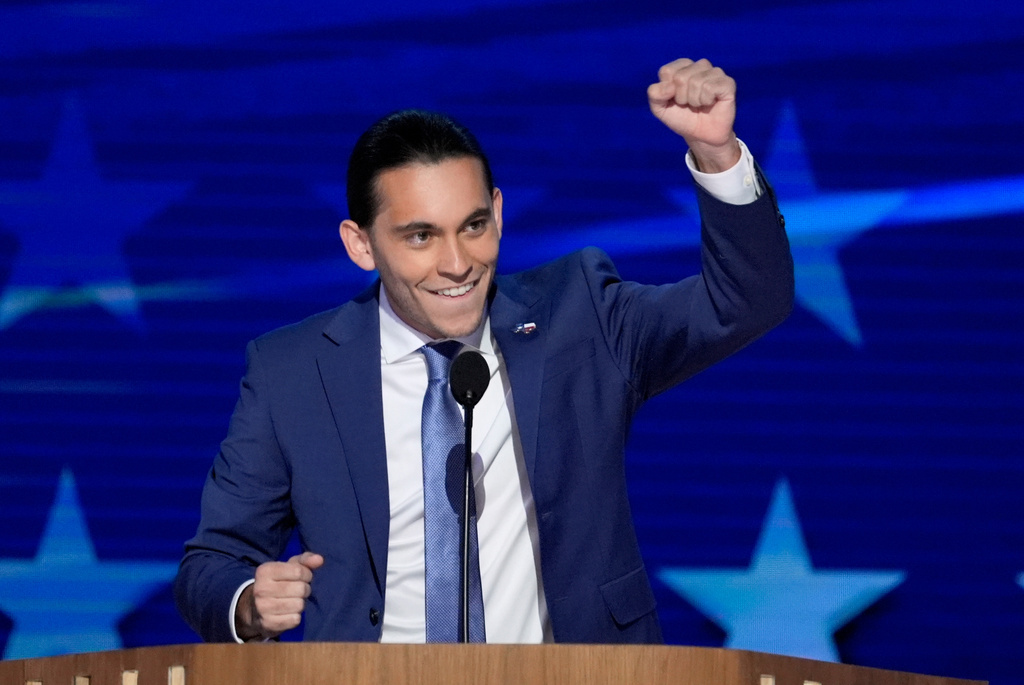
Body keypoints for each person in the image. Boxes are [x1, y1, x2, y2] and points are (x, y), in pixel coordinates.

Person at [174, 58, 794, 645]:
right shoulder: (293, 372)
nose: (457, 263)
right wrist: (249, 602)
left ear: (497, 213)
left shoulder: (579, 315)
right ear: (361, 245)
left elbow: (745, 302)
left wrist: (716, 153)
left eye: (473, 225)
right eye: (421, 236)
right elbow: (212, 562)